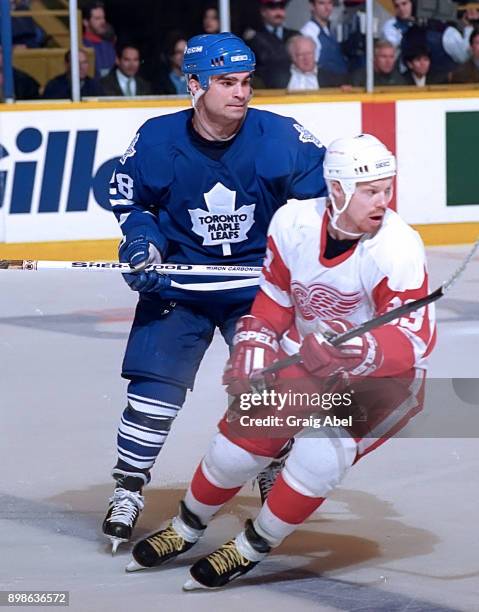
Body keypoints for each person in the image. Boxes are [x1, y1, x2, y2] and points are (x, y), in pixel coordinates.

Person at [126, 134, 436, 590]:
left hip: (382, 379)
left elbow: (417, 339)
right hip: (311, 360)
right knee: (236, 447)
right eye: (371, 190)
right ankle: (187, 526)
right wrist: (256, 338)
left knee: (317, 455)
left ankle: (252, 544)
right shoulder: (293, 223)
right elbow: (274, 297)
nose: (383, 201)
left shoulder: (398, 247)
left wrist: (356, 351)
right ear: (337, 190)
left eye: (387, 189)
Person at [102, 32, 328, 553]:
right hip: (180, 283)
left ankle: (272, 464)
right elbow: (135, 205)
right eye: (227, 82)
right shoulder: (158, 140)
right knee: (153, 391)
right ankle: (129, 487)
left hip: (256, 287)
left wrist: (298, 266)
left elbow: (317, 211)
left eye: (246, 82)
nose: (242, 93)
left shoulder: (281, 138)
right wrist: (142, 247)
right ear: (195, 85)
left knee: (266, 387)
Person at [245, 0, 299, 89]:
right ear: (263, 11)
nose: (278, 12)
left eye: (281, 6)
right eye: (272, 7)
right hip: (267, 92)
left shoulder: (294, 35)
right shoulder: (254, 39)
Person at [300, 0, 349, 86]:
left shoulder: (329, 29)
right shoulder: (309, 32)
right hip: (325, 87)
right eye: (321, 3)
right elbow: (312, 67)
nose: (327, 8)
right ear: (312, 6)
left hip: (340, 84)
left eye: (330, 3)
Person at [82, 0, 115, 78]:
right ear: (86, 22)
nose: (103, 21)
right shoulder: (81, 46)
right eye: (97, 18)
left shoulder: (109, 45)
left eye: (103, 18)